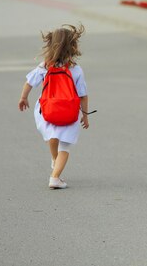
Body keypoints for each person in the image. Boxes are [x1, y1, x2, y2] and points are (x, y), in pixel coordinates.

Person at [18, 24, 92, 190]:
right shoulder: (76, 70)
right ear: (73, 47)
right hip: (69, 112)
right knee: (65, 146)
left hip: (47, 110)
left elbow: (30, 82)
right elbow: (83, 95)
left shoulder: (45, 66)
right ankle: (55, 177)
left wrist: (23, 98)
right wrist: (85, 115)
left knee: (52, 134)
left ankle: (54, 159)